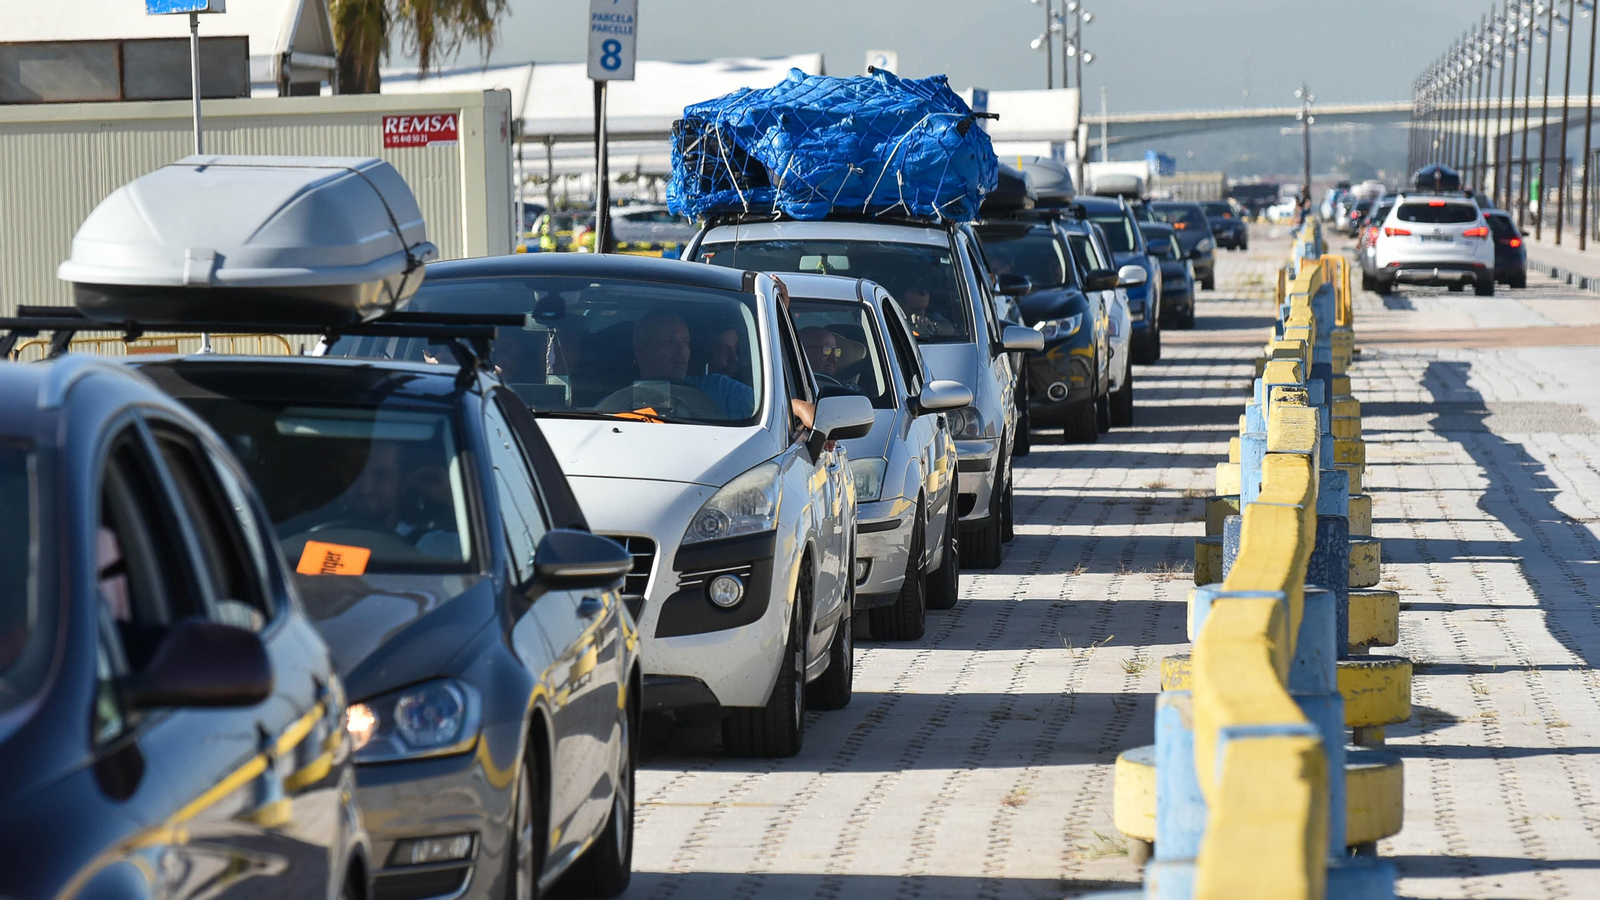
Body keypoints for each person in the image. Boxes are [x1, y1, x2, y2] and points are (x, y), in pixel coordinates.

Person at [632, 312, 755, 419]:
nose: (681, 351)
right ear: (642, 350)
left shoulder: (720, 390)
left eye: (685, 342)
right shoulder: (615, 394)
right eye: (670, 342)